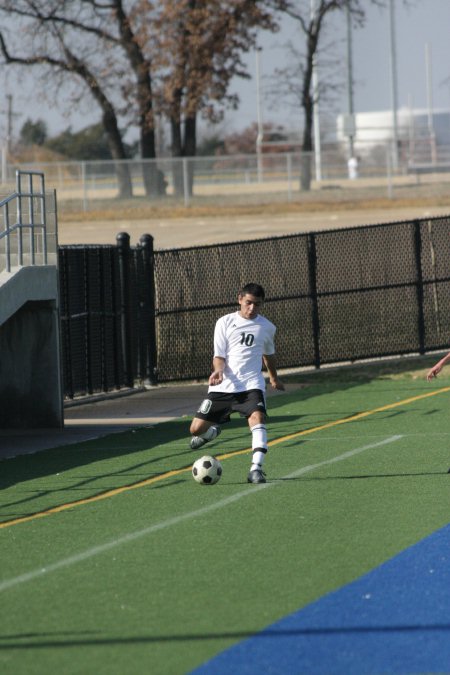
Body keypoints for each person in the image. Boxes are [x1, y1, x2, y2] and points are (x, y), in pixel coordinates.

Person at [189, 282, 285, 484]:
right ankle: (211, 433)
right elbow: (219, 356)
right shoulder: (224, 322)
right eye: (248, 303)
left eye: (257, 305)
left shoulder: (267, 327)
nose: (252, 308)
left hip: (251, 385)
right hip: (223, 386)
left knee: (257, 418)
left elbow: (269, 356)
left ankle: (256, 469)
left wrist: (274, 378)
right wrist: (218, 370)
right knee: (195, 430)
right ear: (240, 299)